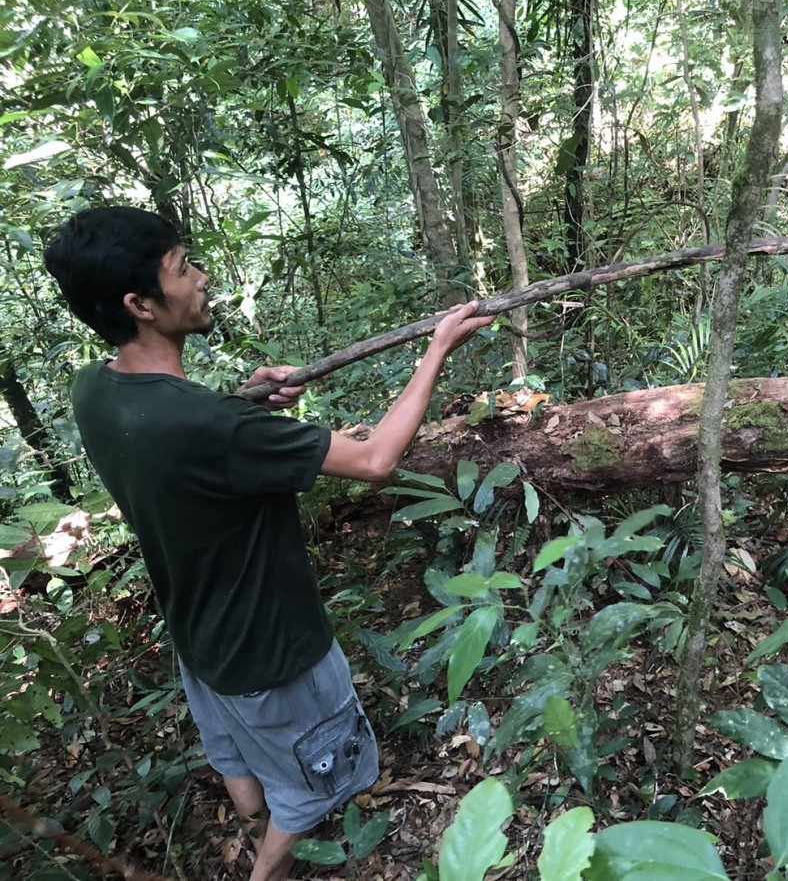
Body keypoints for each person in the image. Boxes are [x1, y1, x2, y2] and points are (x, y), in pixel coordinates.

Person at [43, 206, 493, 881]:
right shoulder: (209, 425)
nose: (201, 278)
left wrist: (247, 402)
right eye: (183, 268)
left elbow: (177, 434)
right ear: (139, 303)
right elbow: (375, 461)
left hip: (200, 638)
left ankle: (255, 830)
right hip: (274, 652)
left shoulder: (95, 393)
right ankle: (270, 865)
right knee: (313, 793)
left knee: (241, 758)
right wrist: (436, 350)